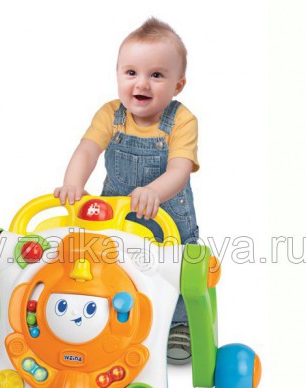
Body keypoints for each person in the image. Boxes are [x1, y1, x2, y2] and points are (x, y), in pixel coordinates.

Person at [54, 18, 199, 365]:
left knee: (176, 263)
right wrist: (74, 183)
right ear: (118, 74)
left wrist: (153, 192)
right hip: (115, 216)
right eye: (131, 72)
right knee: (108, 262)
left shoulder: (182, 121)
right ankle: (110, 314)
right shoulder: (111, 115)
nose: (142, 83)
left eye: (157, 75)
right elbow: (88, 150)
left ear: (178, 85)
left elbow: (179, 170)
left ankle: (179, 323)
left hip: (167, 215)